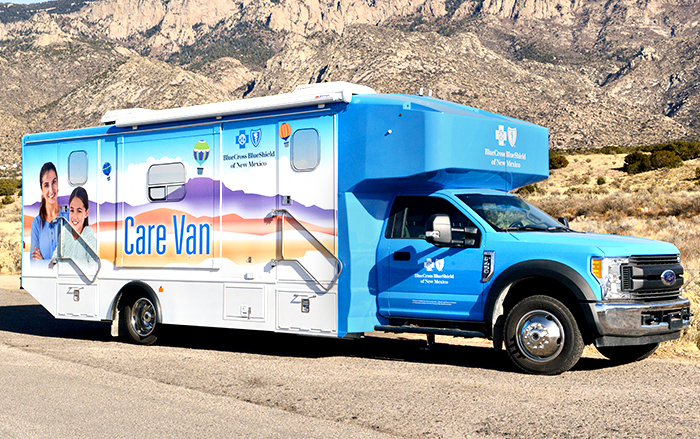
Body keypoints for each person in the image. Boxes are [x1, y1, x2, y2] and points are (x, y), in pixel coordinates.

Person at [30, 162, 68, 262]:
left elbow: (72, 256)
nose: (51, 190)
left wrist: (43, 261)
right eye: (46, 185)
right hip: (44, 278)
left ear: (58, 183)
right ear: (42, 190)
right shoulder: (37, 223)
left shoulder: (67, 217)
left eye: (54, 182)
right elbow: (33, 261)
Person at [53, 187, 97, 268]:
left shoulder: (88, 235)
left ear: (86, 213)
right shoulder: (65, 231)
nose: (74, 217)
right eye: (72, 210)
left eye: (79, 211)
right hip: (64, 278)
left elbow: (93, 265)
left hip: (82, 280)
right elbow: (55, 257)